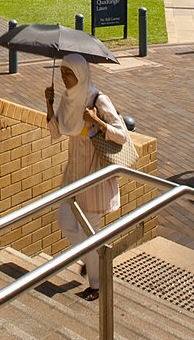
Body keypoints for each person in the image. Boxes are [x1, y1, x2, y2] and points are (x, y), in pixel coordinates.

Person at [44, 53, 128, 302]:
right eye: (62, 74)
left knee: (92, 232)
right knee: (66, 222)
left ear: (80, 74)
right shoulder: (67, 99)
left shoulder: (98, 99)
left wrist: (97, 122)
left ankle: (97, 284)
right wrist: (48, 105)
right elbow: (57, 132)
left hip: (93, 177)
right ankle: (91, 258)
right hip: (73, 175)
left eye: (68, 74)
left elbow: (122, 135)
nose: (64, 79)